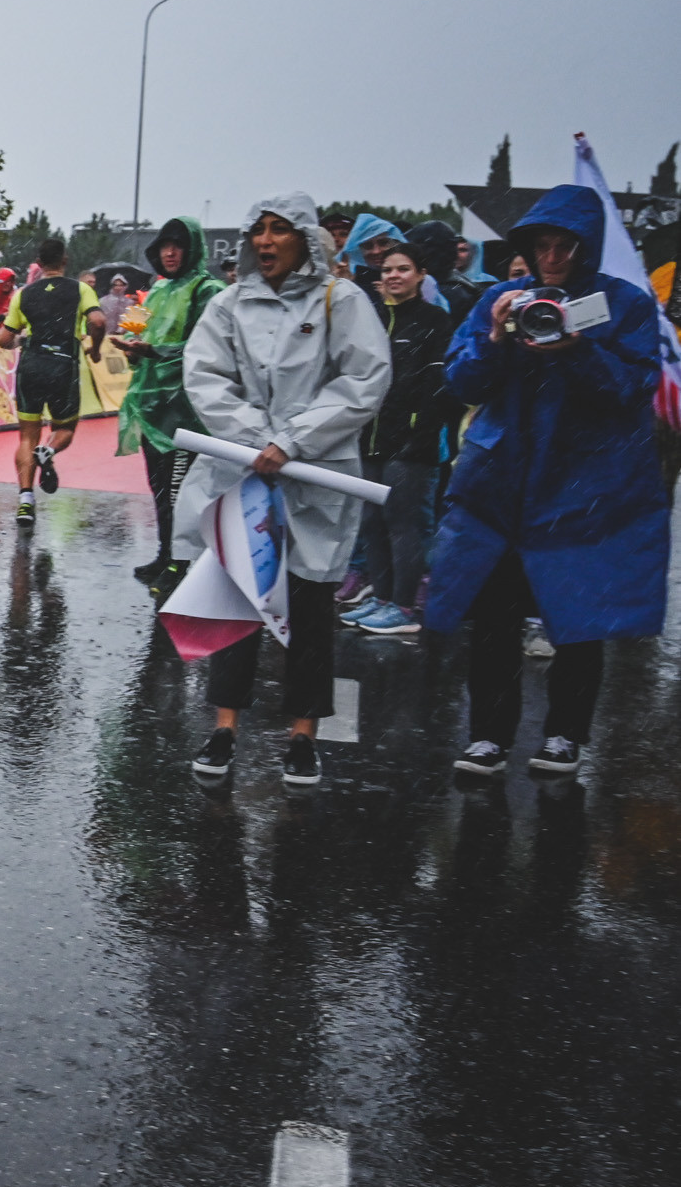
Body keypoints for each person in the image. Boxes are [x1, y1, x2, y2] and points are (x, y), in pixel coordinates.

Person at [427, 185, 670, 779]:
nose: (553, 257)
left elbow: (632, 389)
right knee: (494, 618)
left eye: (565, 246)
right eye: (543, 245)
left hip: (582, 490)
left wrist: (574, 348)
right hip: (500, 490)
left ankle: (565, 734)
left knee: (578, 617)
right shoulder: (501, 299)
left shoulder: (622, 304)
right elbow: (462, 383)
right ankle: (488, 735)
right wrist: (494, 339)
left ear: (587, 247)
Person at [178, 196, 390, 789]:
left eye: (280, 230)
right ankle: (224, 728)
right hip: (245, 472)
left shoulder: (342, 301)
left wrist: (294, 440)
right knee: (239, 599)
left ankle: (302, 735)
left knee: (309, 607)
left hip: (316, 479)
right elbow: (205, 376)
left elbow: (364, 378)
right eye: (259, 231)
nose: (266, 241)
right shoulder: (229, 305)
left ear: (305, 239)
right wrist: (257, 441)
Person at [344, 241, 454, 637]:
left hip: (412, 444)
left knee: (402, 522)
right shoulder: (371, 318)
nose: (393, 276)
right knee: (372, 522)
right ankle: (381, 597)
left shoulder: (435, 320)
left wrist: (420, 431)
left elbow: (439, 384)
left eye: (403, 269)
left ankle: (404, 606)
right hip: (370, 436)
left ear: (421, 275)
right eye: (388, 269)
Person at [115, 216, 224, 586]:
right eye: (165, 246)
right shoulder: (155, 289)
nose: (171, 253)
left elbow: (205, 348)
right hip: (152, 406)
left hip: (187, 411)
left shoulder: (208, 290)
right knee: (160, 489)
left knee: (183, 492)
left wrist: (155, 351)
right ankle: (165, 554)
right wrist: (129, 347)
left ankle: (182, 562)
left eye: (178, 245)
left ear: (192, 249)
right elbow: (131, 330)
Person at [0, 236, 109, 521]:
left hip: (31, 366)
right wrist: (96, 349)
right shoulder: (81, 289)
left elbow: (4, 339)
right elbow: (98, 321)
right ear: (65, 260)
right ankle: (48, 451)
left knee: (26, 436)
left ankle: (25, 500)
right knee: (65, 428)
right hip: (63, 364)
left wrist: (23, 342)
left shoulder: (23, 294)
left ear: (39, 262)